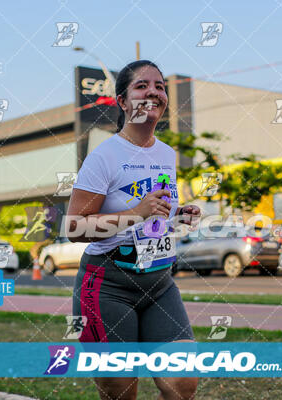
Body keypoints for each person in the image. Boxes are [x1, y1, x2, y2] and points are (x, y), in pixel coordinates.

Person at [67, 60, 200, 400]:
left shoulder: (166, 154)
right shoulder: (104, 157)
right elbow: (74, 227)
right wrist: (135, 213)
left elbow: (155, 214)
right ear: (123, 101)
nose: (153, 92)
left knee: (182, 384)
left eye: (159, 86)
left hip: (159, 284)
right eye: (142, 86)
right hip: (107, 287)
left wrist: (178, 215)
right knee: (121, 391)